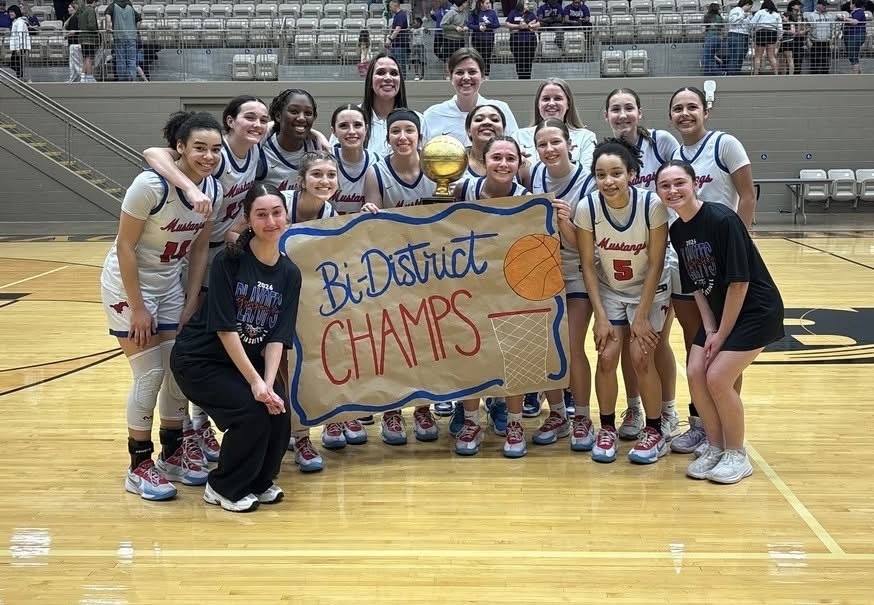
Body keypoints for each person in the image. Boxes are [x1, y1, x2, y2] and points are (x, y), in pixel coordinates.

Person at [143, 96, 272, 462]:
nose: (257, 124)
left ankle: (200, 423)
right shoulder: (215, 153)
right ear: (230, 121)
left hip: (221, 255)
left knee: (214, 339)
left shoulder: (257, 155)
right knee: (190, 343)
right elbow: (153, 152)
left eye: (263, 119)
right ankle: (182, 427)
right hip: (191, 250)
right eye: (249, 117)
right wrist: (189, 187)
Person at [100, 111, 222, 501]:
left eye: (215, 149)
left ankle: (172, 453)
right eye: (199, 148)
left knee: (177, 371)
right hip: (129, 284)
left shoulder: (213, 189)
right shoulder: (150, 185)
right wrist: (138, 308)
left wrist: (191, 299)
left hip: (170, 283)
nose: (208, 156)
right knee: (149, 374)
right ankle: (138, 464)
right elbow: (124, 246)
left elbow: (199, 249)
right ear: (180, 148)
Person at [170, 184, 300, 511]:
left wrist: (268, 384)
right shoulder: (229, 261)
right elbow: (225, 329)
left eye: (277, 213)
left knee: (279, 409)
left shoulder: (290, 273)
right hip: (199, 361)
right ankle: (223, 487)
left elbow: (278, 336)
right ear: (248, 219)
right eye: (261, 214)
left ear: (286, 216)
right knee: (251, 411)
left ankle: (259, 481)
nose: (271, 221)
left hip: (242, 365)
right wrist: (255, 384)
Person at [657, 160, 784, 484]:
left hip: (755, 311)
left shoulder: (722, 219)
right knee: (695, 371)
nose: (673, 190)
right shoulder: (678, 230)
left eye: (679, 182)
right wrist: (710, 329)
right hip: (720, 314)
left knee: (717, 377)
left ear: (695, 184)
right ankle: (714, 446)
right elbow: (697, 287)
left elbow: (739, 284)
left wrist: (721, 334)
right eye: (665, 185)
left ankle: (736, 454)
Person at [668, 86, 755, 456]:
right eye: (678, 108)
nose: (685, 113)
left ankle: (727, 428)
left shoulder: (724, 144)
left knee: (726, 350)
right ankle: (703, 426)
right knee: (698, 343)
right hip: (691, 261)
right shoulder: (675, 155)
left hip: (726, 264)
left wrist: (741, 247)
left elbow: (747, 195)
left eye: (692, 107)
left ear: (706, 111)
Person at [573, 138, 670, 465]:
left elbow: (656, 263)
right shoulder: (587, 208)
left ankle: (654, 430)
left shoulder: (651, 205)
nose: (608, 181)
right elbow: (588, 265)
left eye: (616, 173)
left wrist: (641, 315)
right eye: (601, 175)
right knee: (606, 356)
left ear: (631, 174)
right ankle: (607, 428)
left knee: (641, 357)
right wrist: (600, 317)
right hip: (611, 289)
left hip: (649, 289)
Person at [604, 88, 680, 442]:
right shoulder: (608, 157)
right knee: (629, 345)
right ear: (606, 115)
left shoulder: (661, 143)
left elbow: (680, 181)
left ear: (640, 111)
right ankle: (634, 408)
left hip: (666, 251)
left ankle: (667, 410)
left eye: (628, 108)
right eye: (615, 109)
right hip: (625, 257)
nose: (622, 115)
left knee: (655, 341)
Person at [361, 110, 441, 446]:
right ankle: (391, 409)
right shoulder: (377, 171)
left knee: (427, 340)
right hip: (391, 268)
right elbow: (372, 225)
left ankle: (423, 406)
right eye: (396, 131)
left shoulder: (438, 167)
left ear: (420, 135)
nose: (403, 136)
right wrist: (369, 213)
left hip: (431, 266)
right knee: (392, 341)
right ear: (388, 137)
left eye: (409, 130)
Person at [452, 135, 535, 457]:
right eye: (496, 157)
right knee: (470, 351)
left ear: (519, 163)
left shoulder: (528, 199)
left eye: (510, 158)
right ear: (483, 161)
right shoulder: (463, 190)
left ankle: (515, 423)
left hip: (511, 286)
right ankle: (471, 420)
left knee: (513, 353)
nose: (503, 164)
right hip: (470, 284)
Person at [527, 119, 598, 453]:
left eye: (555, 142)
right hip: (541, 270)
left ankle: (582, 416)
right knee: (545, 347)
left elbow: (585, 245)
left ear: (570, 144)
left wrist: (566, 222)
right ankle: (557, 414)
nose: (549, 149)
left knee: (570, 346)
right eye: (542, 144)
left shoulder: (588, 181)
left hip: (576, 270)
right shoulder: (532, 175)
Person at [334, 51, 429, 157]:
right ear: (370, 80)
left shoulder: (418, 120)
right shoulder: (350, 117)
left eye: (394, 73)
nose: (388, 78)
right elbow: (331, 159)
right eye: (381, 72)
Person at [422, 47, 518, 145]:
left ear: (482, 76)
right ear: (450, 77)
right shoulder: (432, 115)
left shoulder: (500, 110)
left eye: (472, 72)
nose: (466, 77)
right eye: (459, 72)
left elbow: (515, 146)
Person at [515, 78, 596, 168]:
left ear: (568, 104)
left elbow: (587, 172)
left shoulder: (586, 137)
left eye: (558, 98)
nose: (551, 103)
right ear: (538, 104)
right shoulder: (519, 136)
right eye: (546, 99)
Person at [261, 89, 323, 192]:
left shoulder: (317, 147)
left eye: (308, 113)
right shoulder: (261, 149)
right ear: (278, 116)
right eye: (294, 112)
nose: (302, 118)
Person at [331, 104, 381, 214]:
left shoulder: (377, 162)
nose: (352, 131)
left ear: (366, 129)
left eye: (357, 125)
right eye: (343, 126)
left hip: (363, 225)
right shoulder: (325, 160)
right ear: (333, 131)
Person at [103, 0, 141, 82]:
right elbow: (139, 20)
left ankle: (123, 81)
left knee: (121, 60)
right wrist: (135, 30)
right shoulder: (130, 7)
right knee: (132, 59)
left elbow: (107, 16)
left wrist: (108, 26)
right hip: (131, 37)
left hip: (119, 36)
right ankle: (132, 79)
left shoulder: (113, 6)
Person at [505, 0, 540, 79]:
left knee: (528, 61)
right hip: (516, 41)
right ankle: (520, 78)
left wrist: (530, 26)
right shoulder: (513, 12)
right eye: (526, 4)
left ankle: (527, 78)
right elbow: (507, 24)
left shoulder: (531, 13)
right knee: (519, 61)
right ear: (521, 4)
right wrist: (518, 27)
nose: (528, 5)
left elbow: (538, 23)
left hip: (530, 41)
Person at [467, 0, 498, 77]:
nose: (489, 5)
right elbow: (470, 24)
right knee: (477, 57)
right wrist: (478, 27)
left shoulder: (492, 12)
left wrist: (488, 25)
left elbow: (497, 24)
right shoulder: (474, 12)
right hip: (477, 38)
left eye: (489, 3)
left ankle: (486, 74)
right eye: (487, 3)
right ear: (481, 4)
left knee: (487, 57)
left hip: (489, 39)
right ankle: (477, 74)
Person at [750, 0, 782, 75]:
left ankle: (755, 74)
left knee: (758, 56)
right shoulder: (776, 14)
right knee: (771, 56)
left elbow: (752, 23)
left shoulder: (760, 12)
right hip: (772, 33)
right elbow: (780, 27)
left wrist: (753, 32)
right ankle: (776, 74)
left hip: (761, 32)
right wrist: (779, 37)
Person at [778, 0, 806, 75]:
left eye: (799, 5)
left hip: (798, 39)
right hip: (789, 39)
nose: (799, 6)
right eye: (797, 5)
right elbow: (783, 25)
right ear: (792, 6)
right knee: (786, 59)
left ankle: (796, 74)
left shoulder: (800, 16)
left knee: (797, 59)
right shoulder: (787, 14)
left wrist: (803, 31)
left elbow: (803, 27)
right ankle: (788, 74)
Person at [725, 0, 753, 75]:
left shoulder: (746, 14)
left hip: (745, 35)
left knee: (741, 56)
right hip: (736, 34)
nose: (750, 9)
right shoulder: (736, 10)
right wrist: (743, 16)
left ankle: (736, 73)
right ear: (747, 4)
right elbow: (732, 21)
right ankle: (731, 74)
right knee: (736, 56)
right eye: (750, 7)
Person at [386, 0, 411, 79]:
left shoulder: (401, 15)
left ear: (395, 5)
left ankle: (402, 80)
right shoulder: (397, 15)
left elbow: (398, 29)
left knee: (400, 65)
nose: (390, 9)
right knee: (396, 65)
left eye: (390, 7)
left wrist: (390, 39)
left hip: (400, 44)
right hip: (396, 44)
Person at [77, 0, 99, 82]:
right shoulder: (90, 10)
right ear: (93, 1)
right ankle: (89, 76)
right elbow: (92, 25)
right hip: (90, 38)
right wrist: (97, 29)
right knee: (89, 58)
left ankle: (83, 76)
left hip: (82, 37)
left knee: (85, 58)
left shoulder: (82, 10)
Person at [842, 0, 866, 74]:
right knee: (853, 57)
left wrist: (845, 18)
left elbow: (855, 22)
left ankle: (856, 76)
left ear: (854, 4)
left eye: (850, 3)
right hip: (852, 36)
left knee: (853, 57)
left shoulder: (859, 12)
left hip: (854, 36)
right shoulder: (855, 12)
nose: (849, 5)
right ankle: (859, 74)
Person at [7, 5, 31, 81]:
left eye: (12, 12)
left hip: (20, 46)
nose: (10, 13)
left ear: (16, 12)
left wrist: (18, 48)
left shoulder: (19, 22)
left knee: (15, 63)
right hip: (18, 46)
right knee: (17, 63)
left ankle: (21, 77)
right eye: (9, 12)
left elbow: (19, 35)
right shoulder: (16, 21)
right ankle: (20, 77)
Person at [702, 2, 725, 76]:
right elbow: (723, 30)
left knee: (706, 59)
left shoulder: (707, 17)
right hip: (718, 39)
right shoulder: (720, 18)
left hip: (710, 38)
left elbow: (703, 30)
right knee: (711, 57)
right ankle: (708, 74)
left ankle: (719, 73)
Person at [63, 1, 81, 83]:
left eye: (70, 7)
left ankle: (82, 77)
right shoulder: (71, 18)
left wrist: (66, 35)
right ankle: (72, 78)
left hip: (75, 43)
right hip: (72, 43)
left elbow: (73, 31)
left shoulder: (74, 18)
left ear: (74, 9)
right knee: (72, 63)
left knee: (77, 63)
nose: (68, 9)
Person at [410, 16, 427, 80]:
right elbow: (408, 29)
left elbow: (427, 30)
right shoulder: (412, 30)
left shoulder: (422, 29)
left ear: (419, 23)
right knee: (415, 60)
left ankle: (422, 76)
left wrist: (426, 29)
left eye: (415, 23)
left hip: (421, 46)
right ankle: (416, 74)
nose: (413, 24)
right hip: (414, 46)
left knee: (422, 61)